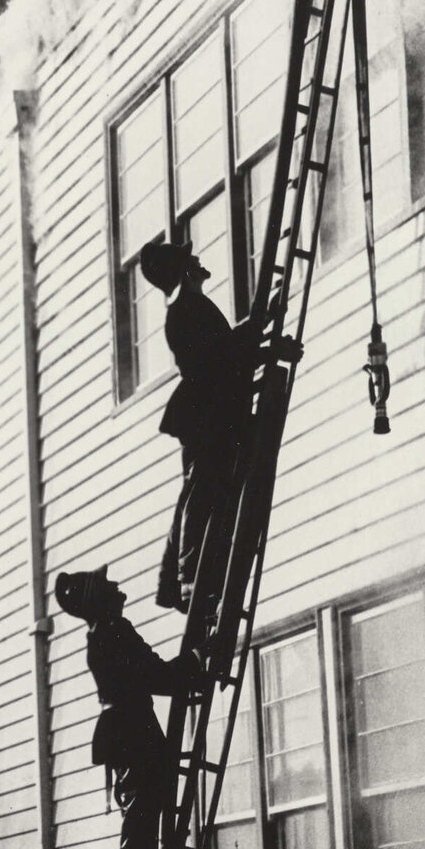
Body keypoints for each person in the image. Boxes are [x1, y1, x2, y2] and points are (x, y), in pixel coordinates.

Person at [139, 241, 299, 616]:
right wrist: (268, 343)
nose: (197, 259)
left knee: (213, 490)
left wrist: (267, 335)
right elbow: (220, 358)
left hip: (215, 412)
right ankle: (189, 575)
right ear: (182, 270)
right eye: (188, 258)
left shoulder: (189, 308)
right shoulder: (184, 311)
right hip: (206, 416)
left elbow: (225, 352)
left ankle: (196, 574)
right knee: (204, 486)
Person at [54, 566, 199, 849]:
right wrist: (195, 662)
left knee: (141, 809)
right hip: (132, 730)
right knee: (142, 809)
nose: (117, 586)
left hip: (125, 730)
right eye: (107, 585)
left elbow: (152, 676)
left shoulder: (102, 634)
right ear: (100, 599)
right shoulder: (116, 631)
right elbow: (156, 676)